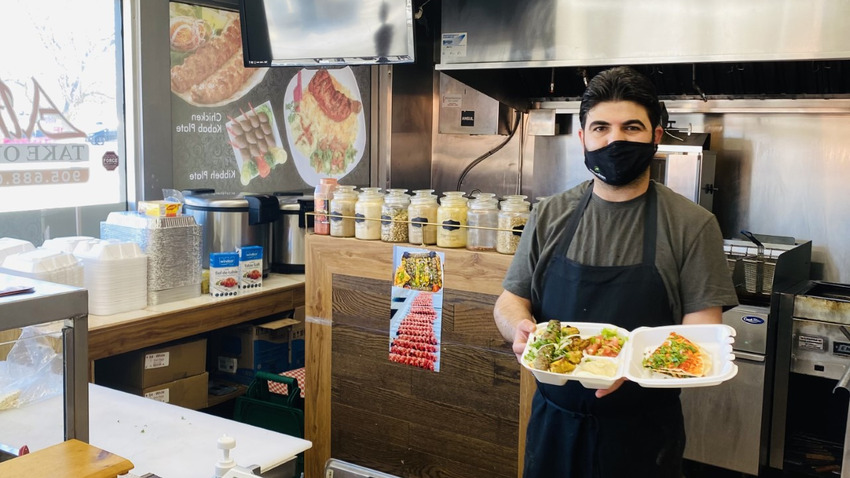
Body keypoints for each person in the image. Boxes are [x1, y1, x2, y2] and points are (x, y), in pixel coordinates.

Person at [493, 66, 738, 478]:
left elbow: (702, 334)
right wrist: (519, 328)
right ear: (583, 138)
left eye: (632, 127)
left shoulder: (691, 224)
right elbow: (511, 300)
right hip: (554, 430)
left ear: (655, 137)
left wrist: (634, 363)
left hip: (644, 439)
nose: (615, 140)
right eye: (601, 127)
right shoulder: (549, 214)